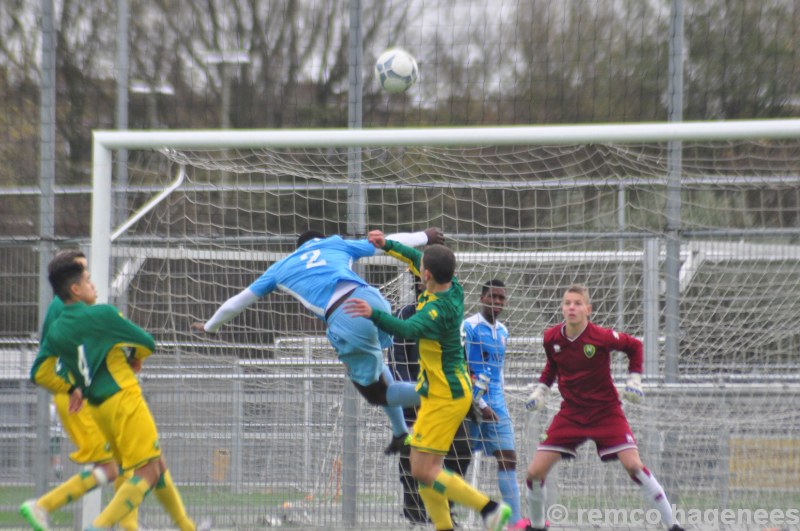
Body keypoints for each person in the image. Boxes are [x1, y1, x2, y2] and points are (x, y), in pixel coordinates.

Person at [192, 228, 443, 454]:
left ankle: (446, 394)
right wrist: (424, 236)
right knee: (377, 366)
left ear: (298, 248)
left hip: (348, 317)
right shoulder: (334, 244)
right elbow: (383, 242)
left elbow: (237, 301)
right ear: (320, 240)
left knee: (378, 393)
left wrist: (210, 326)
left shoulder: (281, 267)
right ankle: (401, 433)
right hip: (373, 299)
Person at [345, 233, 511, 531]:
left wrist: (374, 314)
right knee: (421, 470)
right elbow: (413, 256)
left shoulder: (435, 311)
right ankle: (444, 526)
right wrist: (387, 245)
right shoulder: (453, 287)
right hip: (437, 392)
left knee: (424, 469)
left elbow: (407, 329)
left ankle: (491, 510)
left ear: (428, 275)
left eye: (421, 267)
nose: (417, 268)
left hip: (447, 396)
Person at [42, 259, 200, 530]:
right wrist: (136, 357)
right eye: (87, 277)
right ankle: (99, 525)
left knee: (154, 464)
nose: (93, 284)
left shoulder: (59, 329)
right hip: (123, 400)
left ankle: (185, 526)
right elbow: (147, 343)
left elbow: (46, 369)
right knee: (146, 472)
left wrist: (70, 387)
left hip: (98, 407)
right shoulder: (101, 315)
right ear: (75, 289)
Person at [523, 284, 684, 531]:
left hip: (606, 412)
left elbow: (635, 346)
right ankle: (536, 526)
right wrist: (542, 390)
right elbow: (552, 366)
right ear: (562, 308)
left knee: (634, 466)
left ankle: (673, 526)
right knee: (534, 473)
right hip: (571, 414)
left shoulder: (601, 336)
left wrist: (634, 380)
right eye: (567, 303)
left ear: (588, 309)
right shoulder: (551, 338)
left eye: (577, 303)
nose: (572, 307)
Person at [20, 249, 138, 531]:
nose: (89, 278)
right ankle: (43, 506)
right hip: (76, 400)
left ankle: (130, 527)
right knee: (113, 466)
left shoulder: (70, 308)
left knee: (125, 461)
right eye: (83, 274)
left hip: (84, 396)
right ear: (71, 283)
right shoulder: (68, 308)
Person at [390, 273, 472, 526]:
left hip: (447, 399)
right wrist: (413, 395)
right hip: (416, 400)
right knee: (412, 454)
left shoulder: (451, 314)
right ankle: (414, 513)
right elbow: (397, 360)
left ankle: (445, 509)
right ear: (419, 283)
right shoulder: (405, 314)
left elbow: (459, 357)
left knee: (462, 449)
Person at [463, 279, 528, 530]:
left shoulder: (503, 331)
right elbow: (463, 367)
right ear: (482, 298)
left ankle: (514, 522)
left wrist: (498, 401)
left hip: (497, 402)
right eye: (493, 297)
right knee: (459, 460)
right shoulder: (468, 326)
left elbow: (498, 371)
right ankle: (445, 515)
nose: (497, 302)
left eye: (502, 298)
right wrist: (478, 402)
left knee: (508, 457)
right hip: (470, 404)